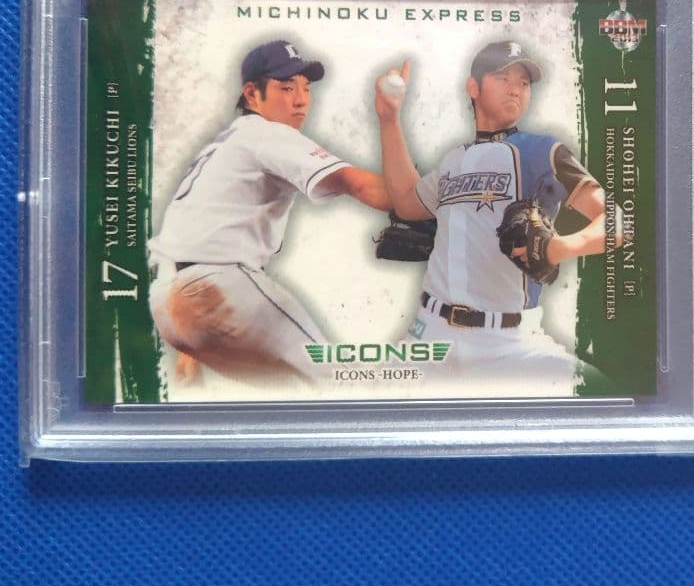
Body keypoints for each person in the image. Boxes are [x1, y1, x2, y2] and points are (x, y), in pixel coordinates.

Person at [374, 41, 623, 396]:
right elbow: (406, 203)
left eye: (524, 82)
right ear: (473, 87)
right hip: (429, 336)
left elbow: (617, 222)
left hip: (510, 344)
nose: (515, 88)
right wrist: (388, 119)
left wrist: (559, 248)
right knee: (360, 407)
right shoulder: (452, 161)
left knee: (602, 394)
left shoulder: (542, 151)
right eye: (503, 77)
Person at [149, 39, 391, 391]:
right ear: (251, 94)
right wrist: (422, 203)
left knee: (300, 395)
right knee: (340, 381)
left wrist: (192, 336)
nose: (301, 100)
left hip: (167, 303)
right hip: (213, 287)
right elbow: (354, 183)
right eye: (286, 87)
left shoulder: (227, 142)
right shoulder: (265, 132)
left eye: (306, 87)